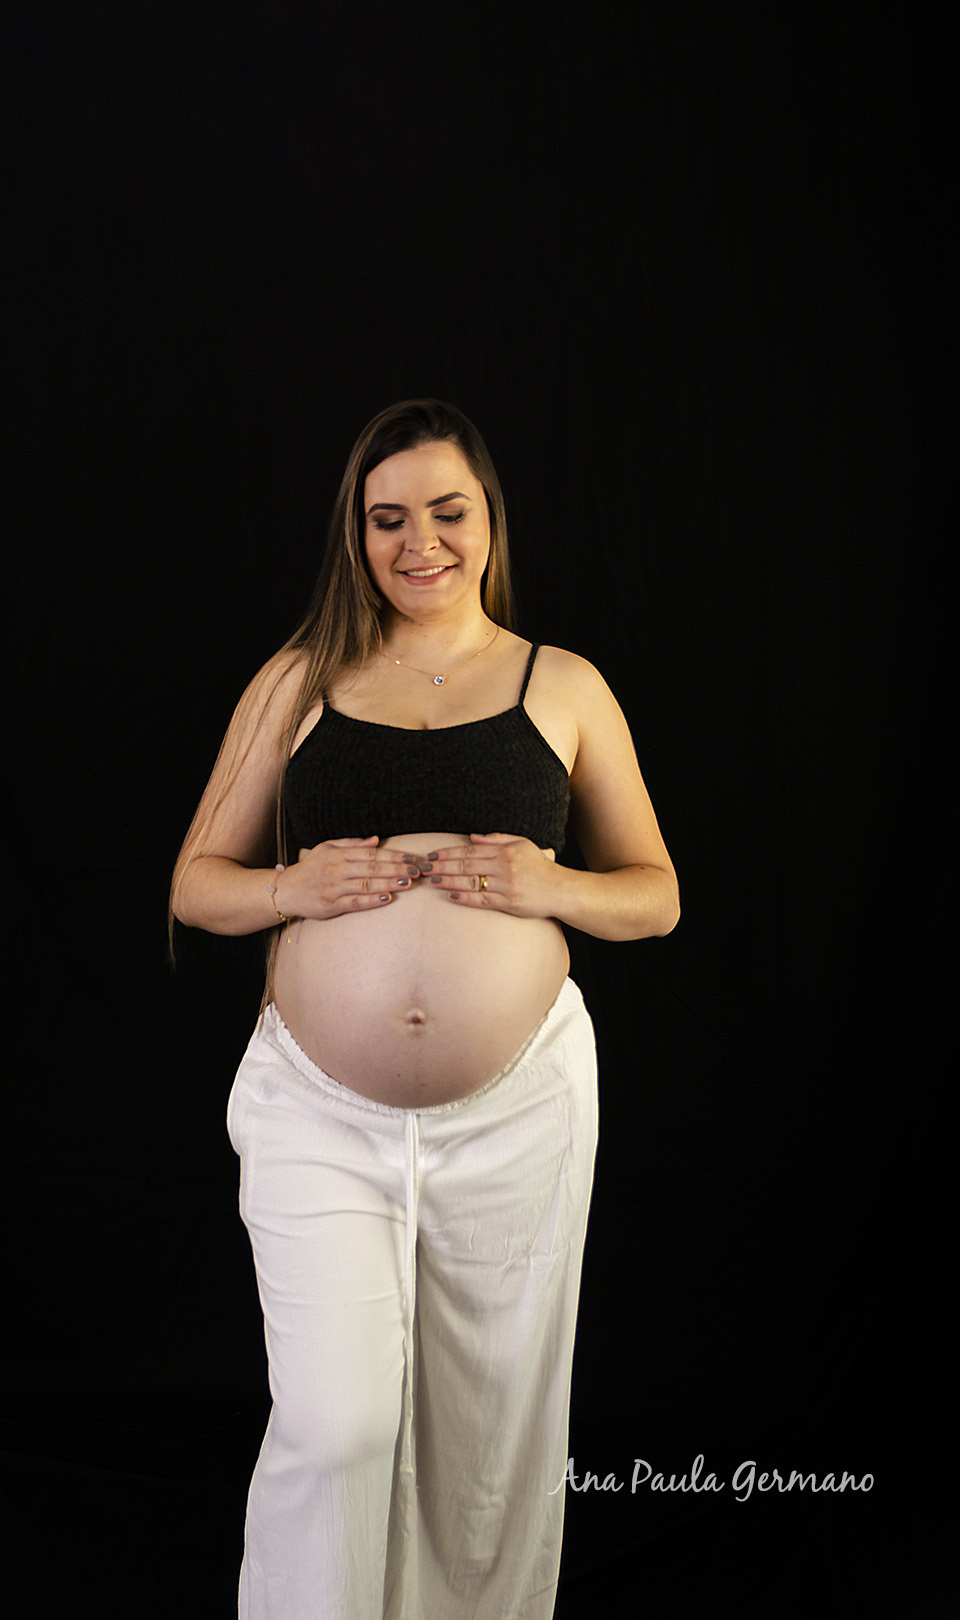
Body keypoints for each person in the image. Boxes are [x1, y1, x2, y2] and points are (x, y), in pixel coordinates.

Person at [169, 398, 679, 1620]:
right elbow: (194, 884)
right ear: (356, 533)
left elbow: (656, 896)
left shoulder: (563, 685)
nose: (420, 544)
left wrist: (552, 885)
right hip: (318, 1110)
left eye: (448, 512)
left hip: (517, 1114)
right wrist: (292, 886)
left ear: (489, 518)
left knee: (487, 1442)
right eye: (387, 519)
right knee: (335, 1424)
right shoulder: (298, 678)